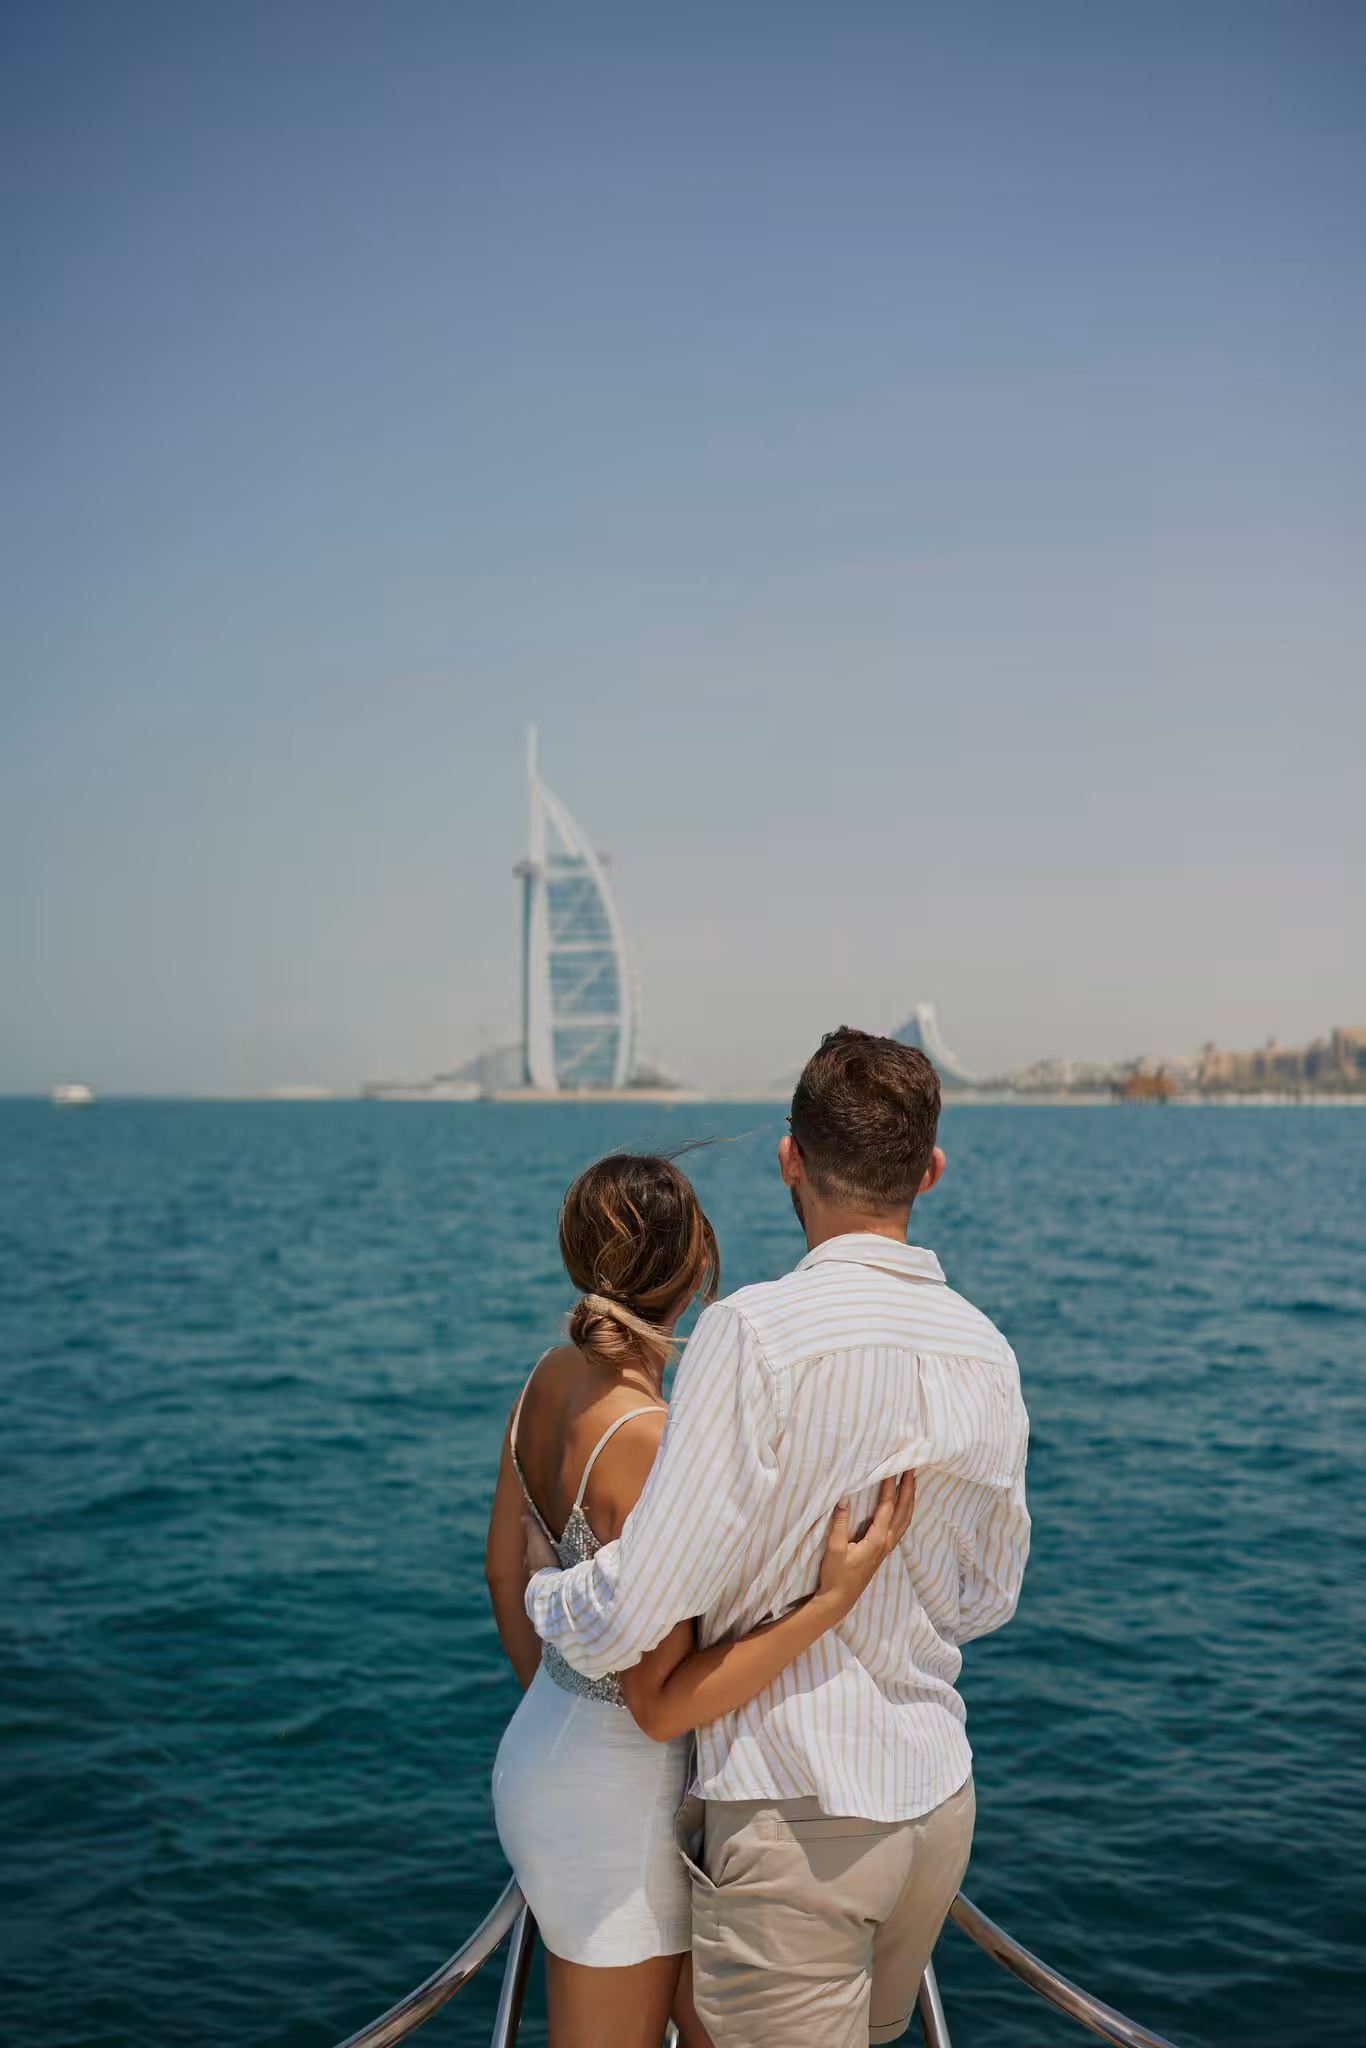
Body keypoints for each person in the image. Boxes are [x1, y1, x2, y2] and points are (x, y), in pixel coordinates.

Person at [526, 1029, 1032, 2048]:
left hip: (795, 1813)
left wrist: (552, 1595)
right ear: (929, 1171)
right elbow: (988, 1597)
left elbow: (635, 1606)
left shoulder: (753, 1334)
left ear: (789, 1158)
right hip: (935, 1801)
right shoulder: (986, 1348)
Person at [485, 1150, 912, 2048]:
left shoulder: (544, 1382)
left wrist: (565, 1694)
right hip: (616, 1802)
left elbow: (503, 1575)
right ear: (695, 1275)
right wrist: (828, 1604)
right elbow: (658, 1702)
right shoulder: (649, 1438)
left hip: (539, 1752)